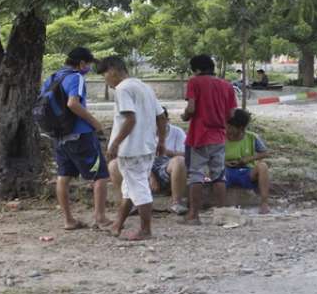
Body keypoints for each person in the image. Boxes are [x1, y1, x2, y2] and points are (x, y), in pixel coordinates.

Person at [97, 56, 167, 241]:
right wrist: (161, 141)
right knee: (131, 187)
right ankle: (117, 225)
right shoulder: (144, 86)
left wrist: (114, 144)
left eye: (105, 76)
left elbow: (130, 119)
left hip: (131, 148)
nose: (107, 81)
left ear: (112, 71)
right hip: (147, 146)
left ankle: (145, 229)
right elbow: (161, 117)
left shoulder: (123, 88)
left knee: (139, 187)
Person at [44, 47, 110, 231]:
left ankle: (68, 220)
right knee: (100, 175)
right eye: (88, 64)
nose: (88, 68)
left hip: (59, 135)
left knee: (63, 176)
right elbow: (73, 103)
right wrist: (96, 125)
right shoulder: (76, 77)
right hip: (80, 134)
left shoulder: (52, 78)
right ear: (81, 63)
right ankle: (100, 218)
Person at [180, 54, 237, 225]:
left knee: (196, 175)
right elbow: (232, 114)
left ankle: (193, 215)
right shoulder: (227, 86)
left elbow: (191, 107)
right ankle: (221, 215)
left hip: (199, 136)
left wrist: (185, 116)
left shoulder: (194, 82)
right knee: (219, 176)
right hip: (219, 136)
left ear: (196, 69)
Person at [108, 106, 188, 215]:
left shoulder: (177, 132)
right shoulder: (140, 133)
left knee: (180, 161)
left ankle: (176, 202)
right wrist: (151, 176)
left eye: (159, 121)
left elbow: (187, 155)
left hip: (167, 168)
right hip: (143, 169)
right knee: (114, 165)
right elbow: (134, 158)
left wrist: (167, 152)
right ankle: (128, 204)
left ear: (166, 121)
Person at [224, 109, 271, 214]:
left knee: (263, 166)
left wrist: (247, 159)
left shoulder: (252, 137)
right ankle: (220, 204)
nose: (227, 129)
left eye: (231, 127)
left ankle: (264, 203)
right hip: (225, 171)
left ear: (241, 128)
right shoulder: (221, 137)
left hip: (246, 171)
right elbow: (211, 156)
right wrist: (224, 163)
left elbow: (265, 153)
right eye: (227, 126)